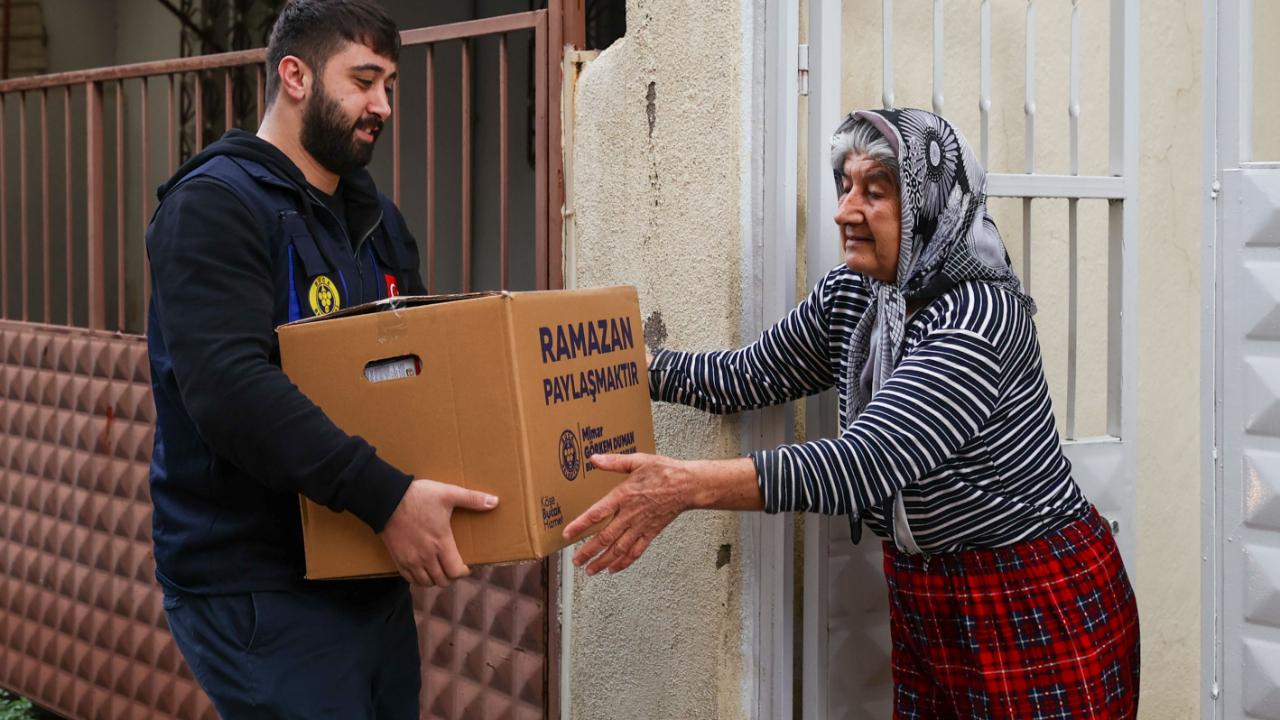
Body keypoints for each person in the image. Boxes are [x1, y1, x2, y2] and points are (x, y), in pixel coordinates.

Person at [564, 108, 1141, 719]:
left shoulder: (980, 315)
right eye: (844, 185)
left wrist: (683, 486)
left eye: (876, 190)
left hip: (1027, 595)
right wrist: (619, 365)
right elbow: (748, 376)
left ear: (930, 202)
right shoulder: (857, 296)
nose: (845, 210)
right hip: (926, 595)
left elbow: (866, 463)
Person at [145, 1, 498, 717]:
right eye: (364, 80)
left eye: (389, 84)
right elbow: (230, 391)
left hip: (365, 565)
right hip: (256, 583)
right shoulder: (214, 206)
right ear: (295, 75)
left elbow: (419, 372)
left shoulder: (375, 219)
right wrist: (386, 496)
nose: (384, 105)